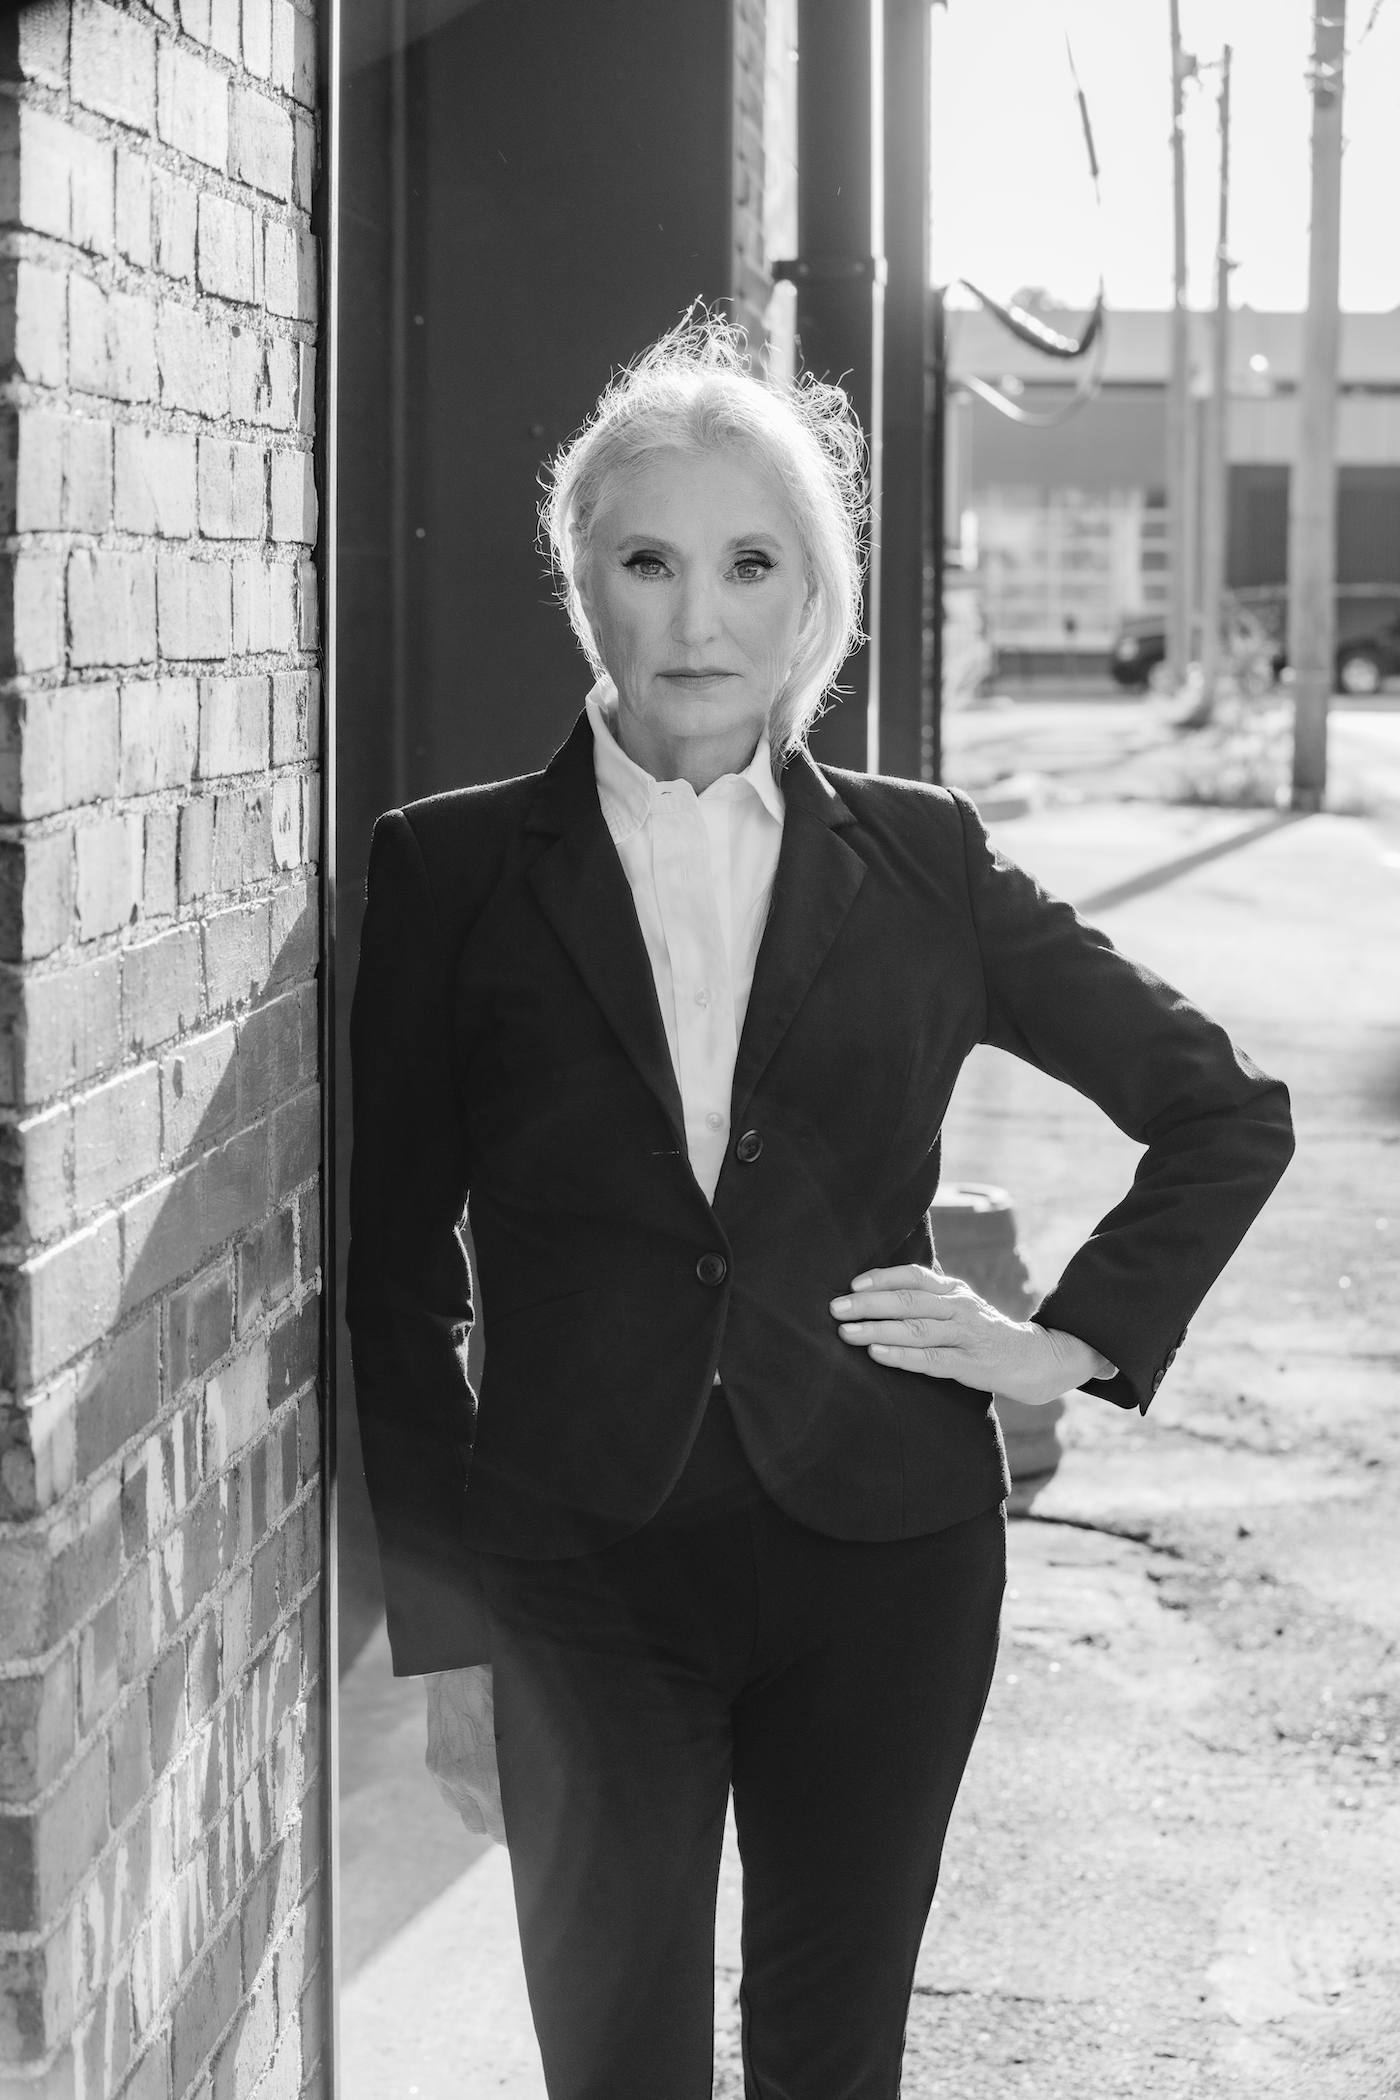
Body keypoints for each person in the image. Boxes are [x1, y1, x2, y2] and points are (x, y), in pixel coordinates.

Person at [346, 316, 1294, 2100]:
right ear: (583, 586)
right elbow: (391, 1280)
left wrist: (1065, 1342)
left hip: (884, 1564)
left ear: (812, 604)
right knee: (612, 2068)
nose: (697, 621)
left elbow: (1223, 1109)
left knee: (832, 2064)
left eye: (750, 565)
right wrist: (446, 1635)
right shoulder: (449, 869)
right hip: (578, 1578)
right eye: (649, 562)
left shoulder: (924, 859)